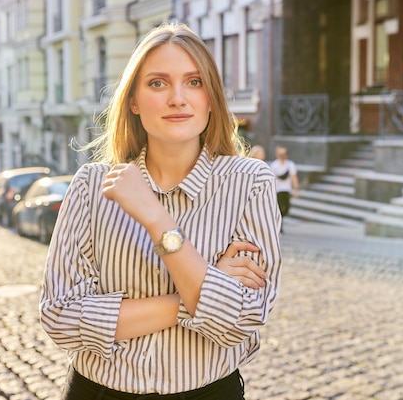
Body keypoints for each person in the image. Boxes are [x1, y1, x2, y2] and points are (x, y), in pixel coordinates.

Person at [40, 22, 282, 400]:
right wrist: (201, 290)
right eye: (157, 83)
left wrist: (156, 218)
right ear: (134, 101)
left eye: (194, 82)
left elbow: (241, 319)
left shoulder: (250, 182)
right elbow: (60, 317)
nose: (178, 98)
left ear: (211, 98)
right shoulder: (92, 185)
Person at [269, 146, 300, 232]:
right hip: (277, 190)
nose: (283, 155)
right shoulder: (274, 165)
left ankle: (279, 221)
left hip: (287, 190)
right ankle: (279, 225)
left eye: (285, 153)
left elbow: (294, 177)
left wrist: (296, 189)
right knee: (279, 208)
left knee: (286, 208)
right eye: (281, 154)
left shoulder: (290, 164)